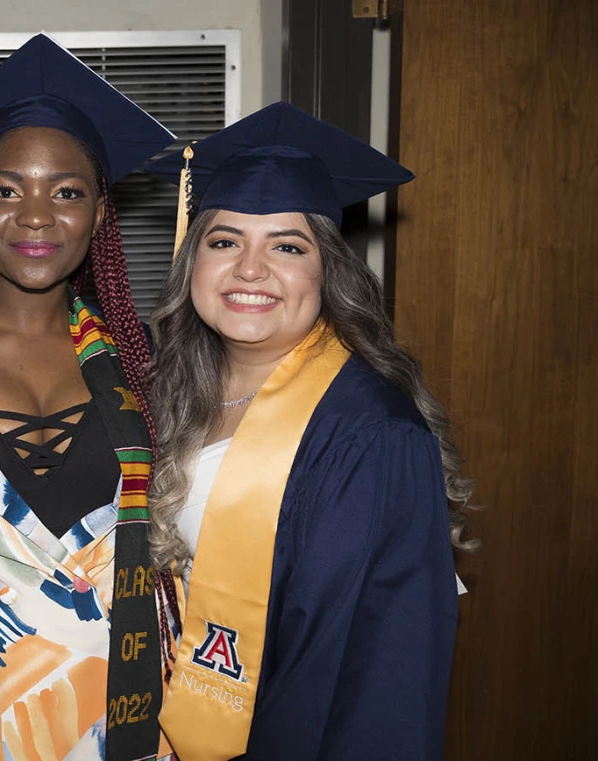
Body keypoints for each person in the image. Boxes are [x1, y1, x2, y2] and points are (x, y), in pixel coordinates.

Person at [144, 102, 475, 761]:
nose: (249, 268)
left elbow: (384, 674)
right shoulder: (174, 393)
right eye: (225, 240)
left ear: (328, 271)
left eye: (287, 247)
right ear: (193, 265)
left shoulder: (371, 433)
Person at [0, 34, 177, 761]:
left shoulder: (140, 359)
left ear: (100, 212)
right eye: (7, 188)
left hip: (123, 719)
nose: (36, 215)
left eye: (68, 190)